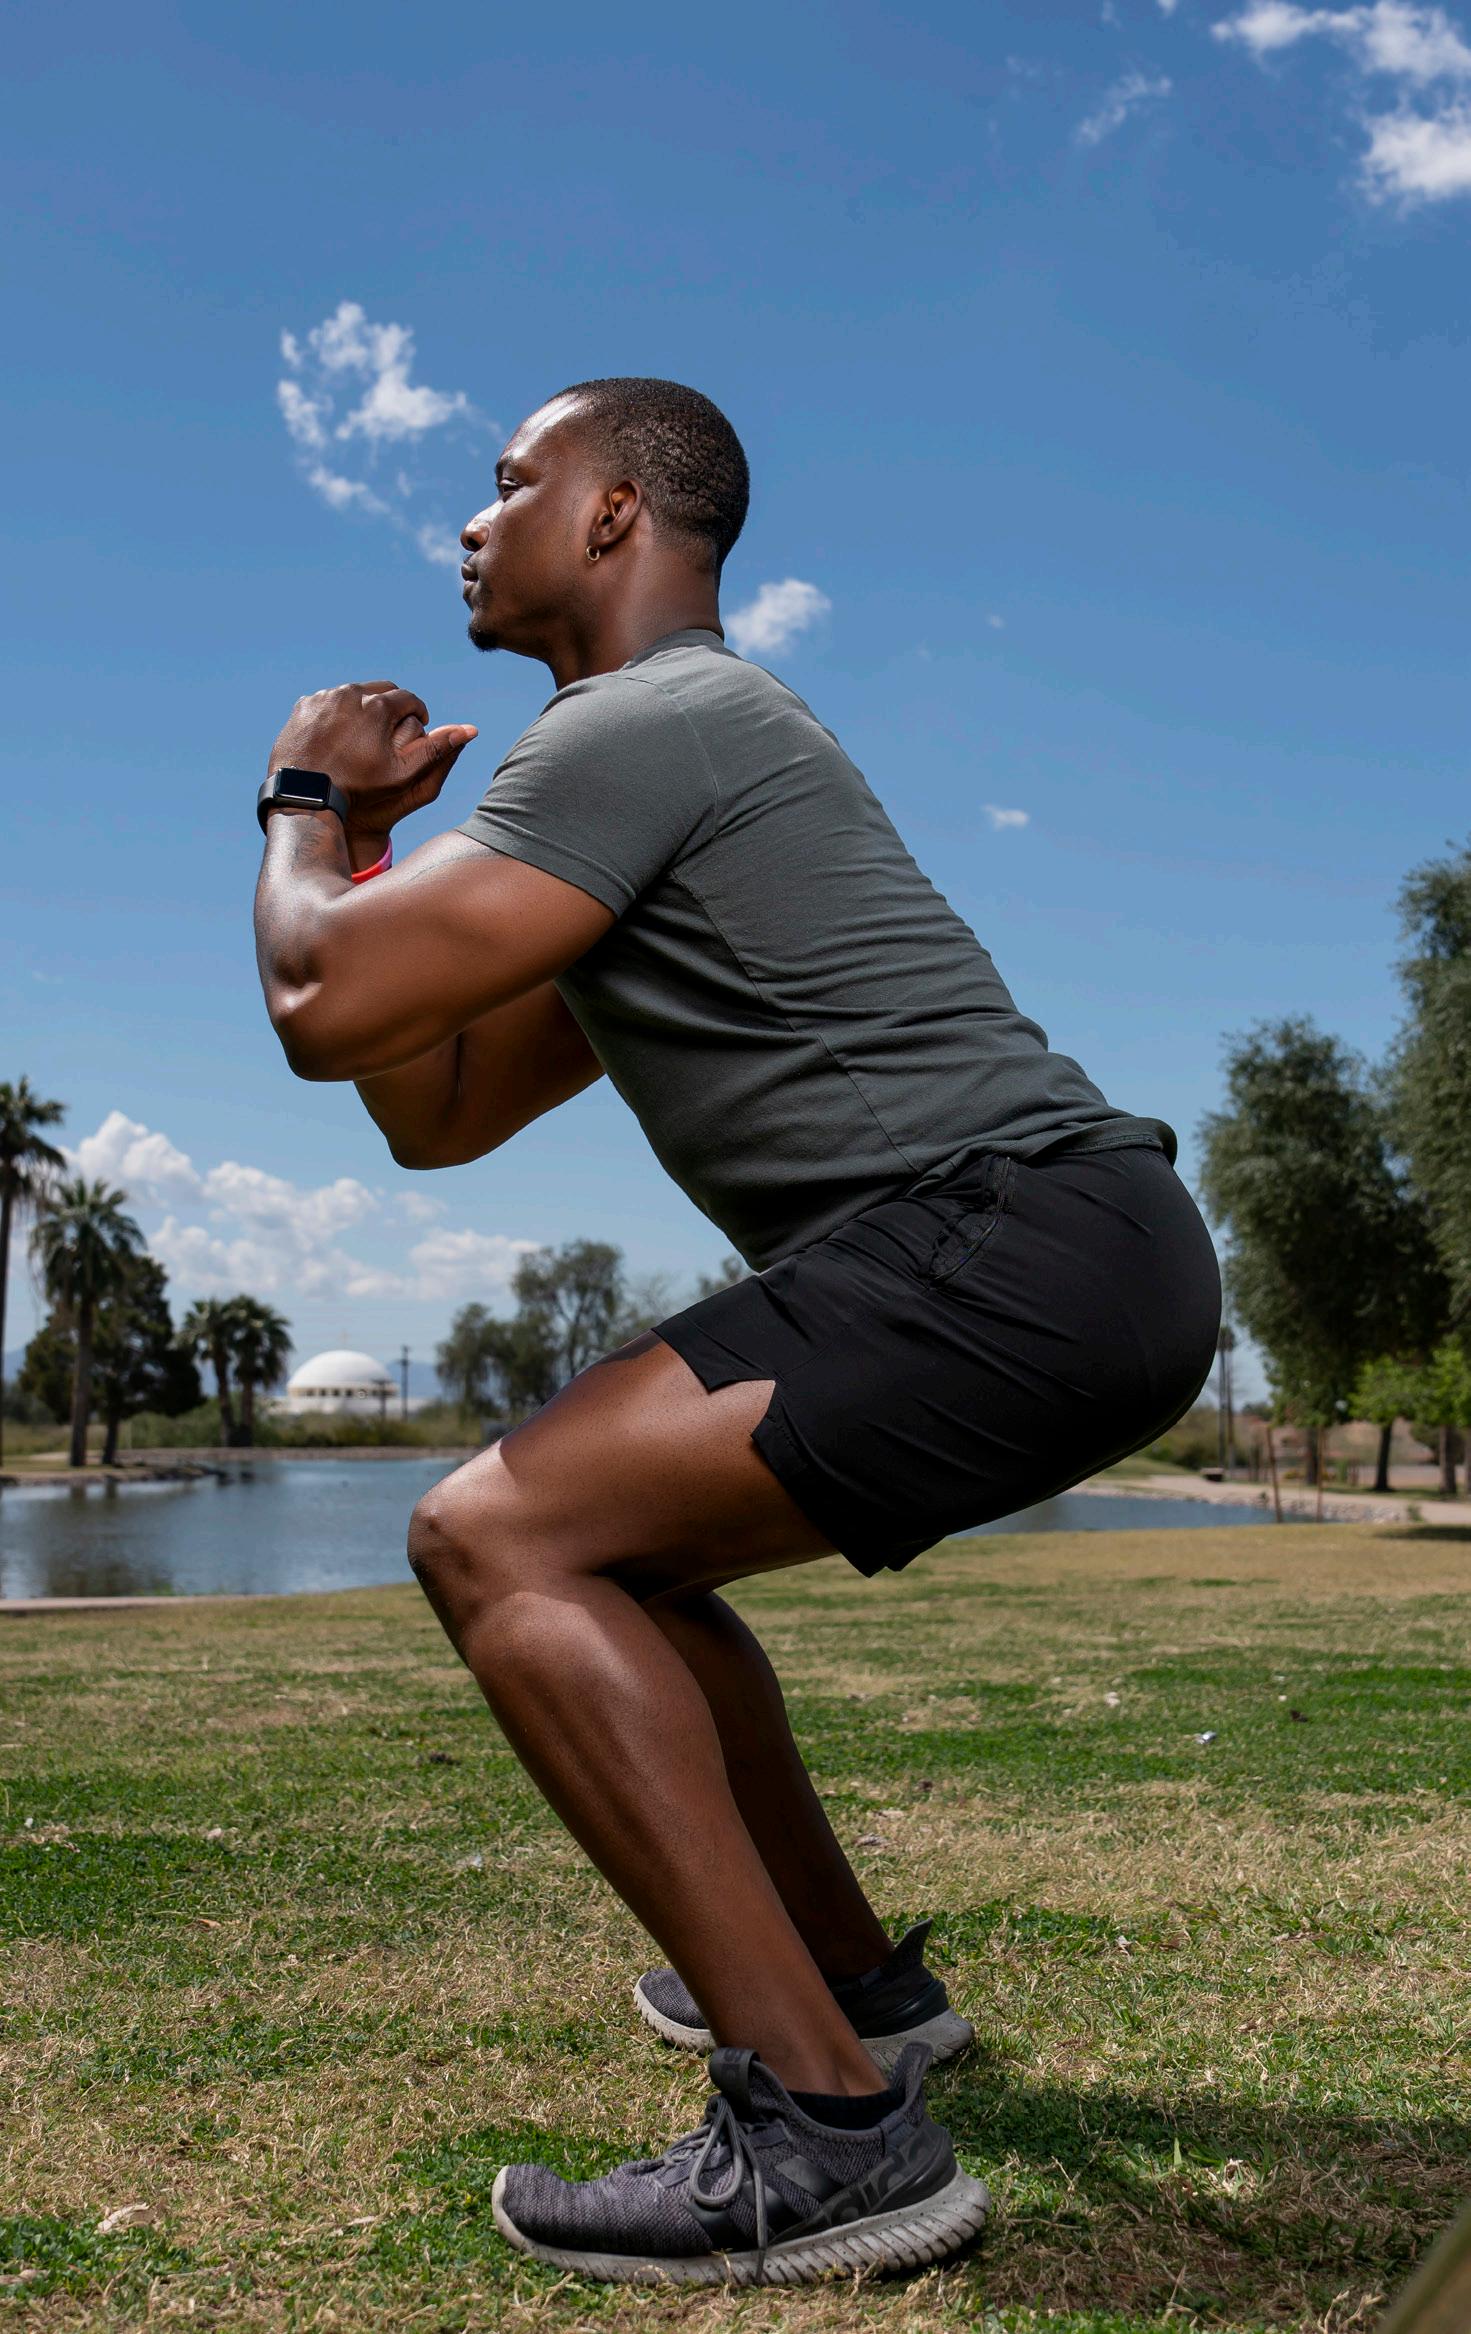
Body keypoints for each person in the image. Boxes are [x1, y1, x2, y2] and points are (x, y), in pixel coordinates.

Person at [253, 376, 1221, 2287]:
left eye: (509, 483)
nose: (471, 522)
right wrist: (367, 851)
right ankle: (859, 1996)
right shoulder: (656, 761)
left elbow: (319, 996)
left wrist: (295, 798)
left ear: (614, 513)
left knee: (491, 1532)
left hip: (1004, 1237)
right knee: (620, 1554)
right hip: (1073, 1249)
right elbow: (435, 1101)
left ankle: (827, 2136)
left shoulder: (641, 723)